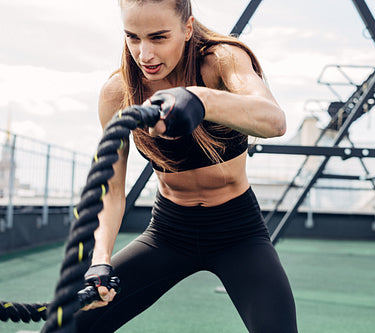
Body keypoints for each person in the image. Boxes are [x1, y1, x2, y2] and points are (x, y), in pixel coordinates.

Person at [74, 0, 297, 332]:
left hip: (238, 232)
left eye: (159, 37)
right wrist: (100, 260)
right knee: (74, 325)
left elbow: (274, 121)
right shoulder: (117, 93)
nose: (144, 54)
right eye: (133, 38)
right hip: (168, 232)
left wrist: (200, 99)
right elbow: (112, 189)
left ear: (187, 28)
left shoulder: (222, 60)